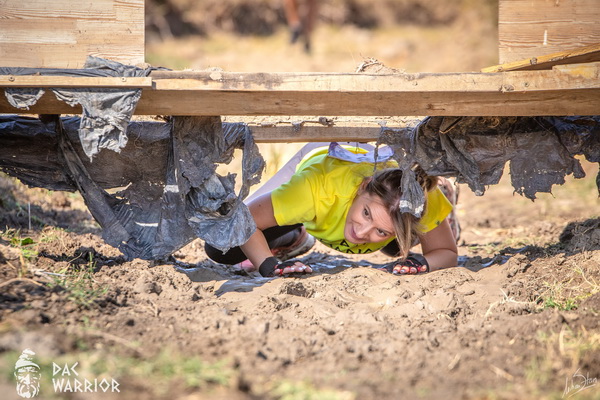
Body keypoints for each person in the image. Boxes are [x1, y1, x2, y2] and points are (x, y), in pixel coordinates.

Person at [205, 142, 459, 277]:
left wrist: (421, 263)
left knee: (397, 250)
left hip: (389, 188)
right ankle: (294, 235)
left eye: (381, 231)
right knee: (222, 247)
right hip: (321, 165)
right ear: (363, 187)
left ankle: (444, 205)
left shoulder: (421, 199)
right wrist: (268, 265)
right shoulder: (313, 189)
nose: (361, 233)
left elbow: (446, 253)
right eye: (366, 214)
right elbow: (242, 222)